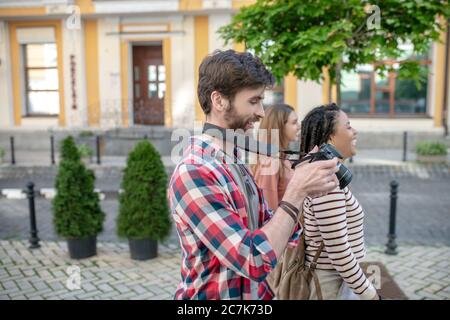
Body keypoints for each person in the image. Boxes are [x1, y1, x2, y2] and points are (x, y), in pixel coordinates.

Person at [168, 49, 339, 300]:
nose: (261, 113)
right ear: (219, 101)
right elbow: (254, 260)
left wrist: (307, 186)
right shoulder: (195, 171)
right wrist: (296, 192)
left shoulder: (234, 161)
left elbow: (274, 230)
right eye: (253, 101)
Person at [299, 103, 380, 300]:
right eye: (349, 126)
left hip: (340, 282)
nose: (355, 131)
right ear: (330, 138)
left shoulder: (324, 174)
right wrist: (371, 295)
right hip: (333, 286)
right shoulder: (327, 182)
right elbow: (339, 253)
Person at [251, 104, 300, 211]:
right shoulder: (271, 162)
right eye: (294, 122)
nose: (299, 126)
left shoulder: (282, 158)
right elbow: (268, 211)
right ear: (280, 127)